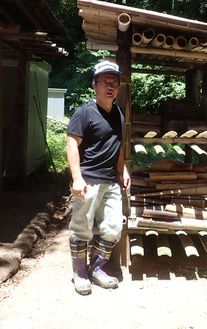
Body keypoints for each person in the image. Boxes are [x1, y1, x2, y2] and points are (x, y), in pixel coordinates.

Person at [66, 60, 130, 295]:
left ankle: (96, 267)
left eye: (114, 82)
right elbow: (72, 144)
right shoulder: (84, 112)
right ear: (94, 85)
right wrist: (77, 178)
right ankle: (80, 273)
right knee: (81, 228)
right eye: (105, 82)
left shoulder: (118, 114)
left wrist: (123, 170)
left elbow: (118, 145)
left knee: (113, 227)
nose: (110, 86)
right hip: (89, 180)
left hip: (111, 181)